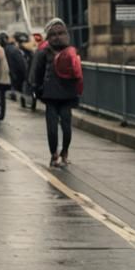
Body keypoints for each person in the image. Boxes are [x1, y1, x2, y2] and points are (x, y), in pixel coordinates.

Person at [28, 18, 83, 169]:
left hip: (50, 95)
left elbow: (36, 73)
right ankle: (64, 153)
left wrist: (35, 89)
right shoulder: (71, 50)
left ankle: (54, 155)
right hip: (68, 94)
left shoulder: (44, 51)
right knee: (67, 126)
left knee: (52, 127)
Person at [1, 31, 27, 105]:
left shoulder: (5, 49)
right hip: (16, 77)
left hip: (7, 77)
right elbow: (22, 65)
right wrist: (26, 75)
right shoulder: (15, 50)